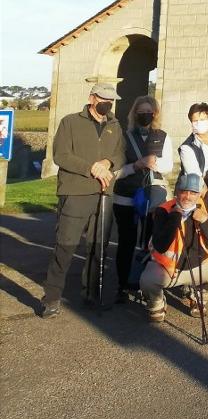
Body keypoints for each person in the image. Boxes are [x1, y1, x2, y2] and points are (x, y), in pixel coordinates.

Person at [40, 82, 125, 318]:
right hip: (76, 192)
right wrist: (91, 169)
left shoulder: (115, 125)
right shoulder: (70, 121)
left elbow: (121, 153)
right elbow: (61, 155)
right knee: (65, 247)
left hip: (104, 194)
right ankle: (52, 298)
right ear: (92, 98)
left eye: (112, 99)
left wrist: (108, 163)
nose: (109, 103)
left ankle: (92, 295)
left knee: (98, 248)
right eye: (104, 98)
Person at [140, 172, 208, 323]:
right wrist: (175, 218)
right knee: (147, 281)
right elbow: (161, 246)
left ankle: (197, 298)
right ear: (177, 192)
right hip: (169, 268)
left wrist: (205, 220)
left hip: (199, 265)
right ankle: (157, 303)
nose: (188, 196)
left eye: (193, 192)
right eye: (184, 191)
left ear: (200, 193)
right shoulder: (163, 210)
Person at [112, 95, 173, 302]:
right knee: (126, 241)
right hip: (126, 195)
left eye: (149, 112)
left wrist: (154, 163)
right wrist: (136, 165)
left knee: (149, 241)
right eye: (141, 112)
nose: (145, 115)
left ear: (155, 114)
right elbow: (116, 171)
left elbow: (168, 166)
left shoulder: (163, 136)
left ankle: (143, 283)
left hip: (152, 195)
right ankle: (122, 283)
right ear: (134, 114)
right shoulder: (124, 137)